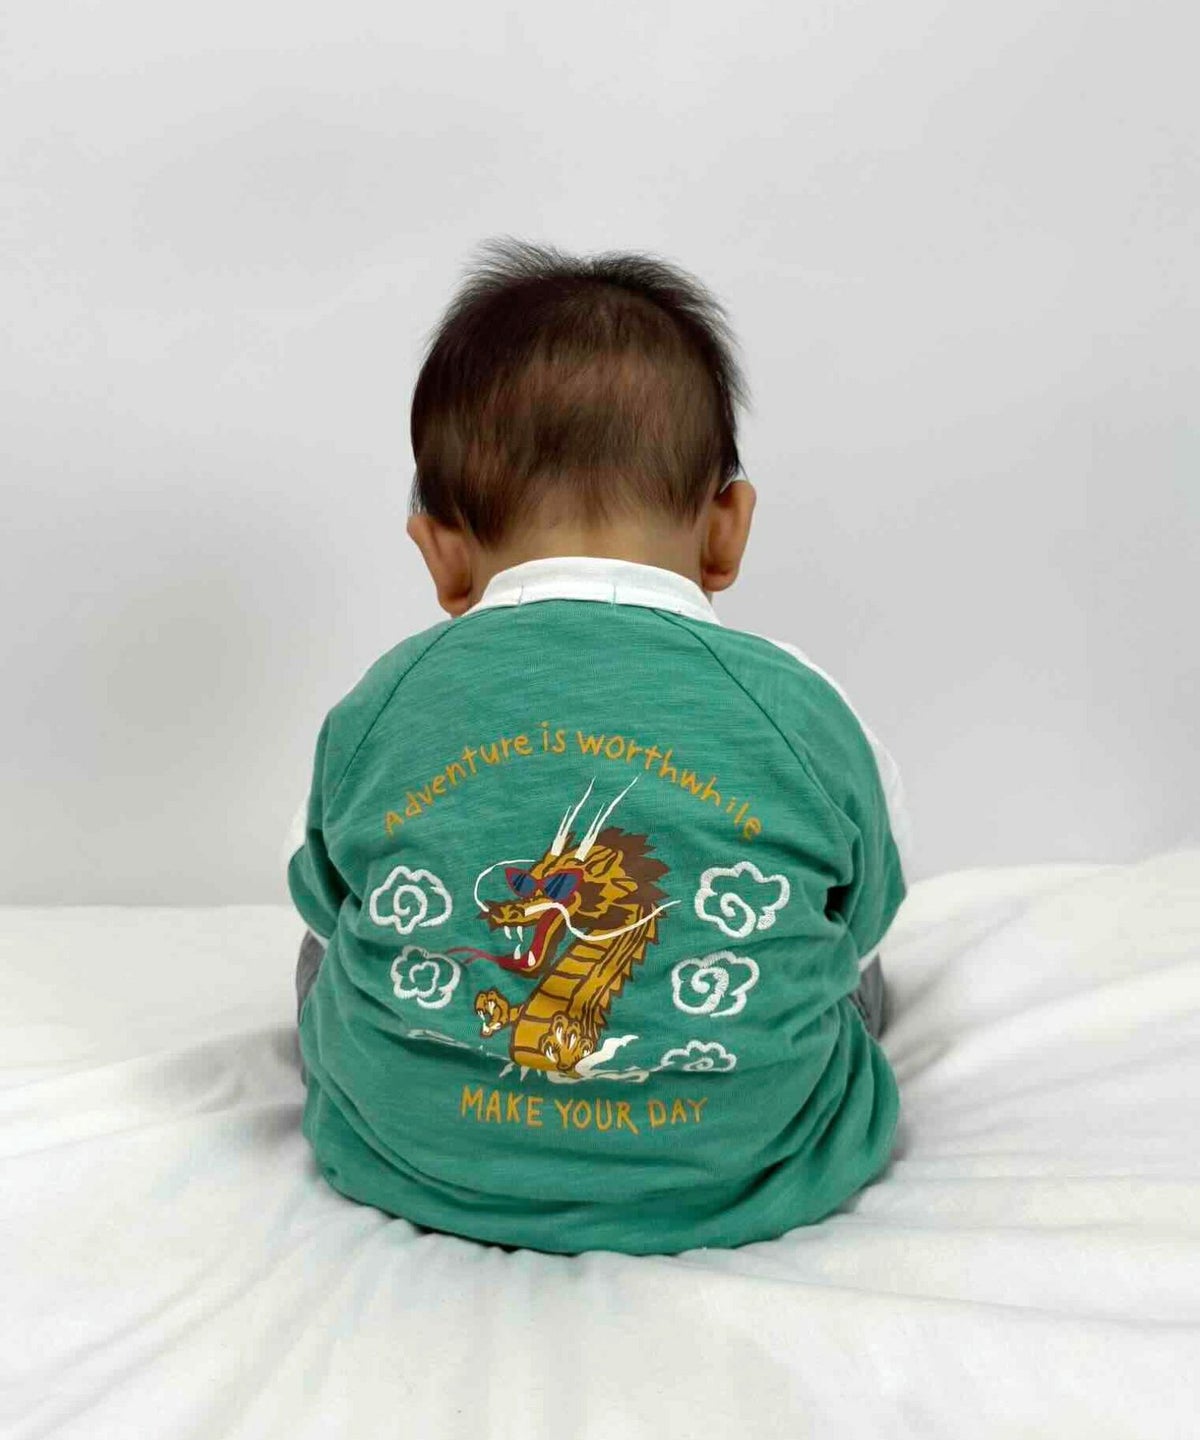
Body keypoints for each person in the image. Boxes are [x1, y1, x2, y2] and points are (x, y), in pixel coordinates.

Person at [286, 237, 913, 1256]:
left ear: (441, 551)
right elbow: (870, 910)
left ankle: (434, 1098)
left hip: (409, 1156)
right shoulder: (802, 708)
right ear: (727, 527)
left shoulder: (381, 703)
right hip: (758, 1164)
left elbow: (322, 892)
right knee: (851, 964)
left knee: (325, 943)